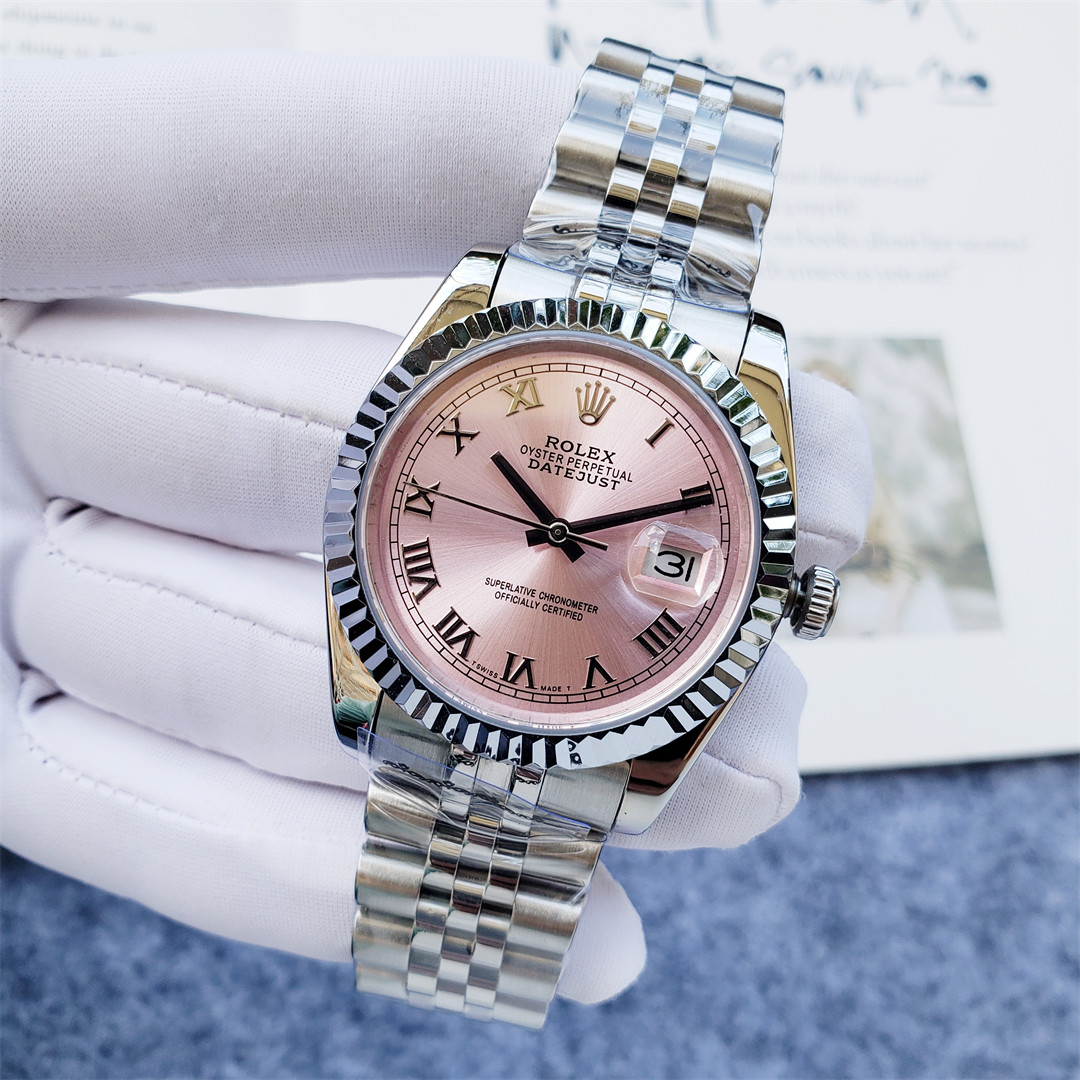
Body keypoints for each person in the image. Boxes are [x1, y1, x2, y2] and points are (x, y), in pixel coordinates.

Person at [0, 50, 872, 1006]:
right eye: (554, 528)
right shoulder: (471, 355)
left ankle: (455, 951)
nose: (560, 535)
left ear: (783, 594)